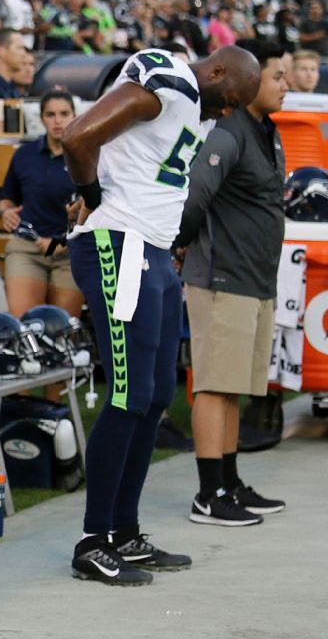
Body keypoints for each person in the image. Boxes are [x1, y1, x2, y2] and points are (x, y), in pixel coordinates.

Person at [62, 45, 260, 585]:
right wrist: (89, 193)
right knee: (127, 394)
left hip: (149, 249)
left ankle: (124, 531)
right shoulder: (170, 81)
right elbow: (77, 136)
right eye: (231, 100)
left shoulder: (192, 100)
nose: (226, 113)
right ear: (216, 71)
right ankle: (93, 538)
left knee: (152, 397)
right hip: (120, 246)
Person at [175, 38, 288, 527]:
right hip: (223, 276)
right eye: (277, 77)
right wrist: (182, 244)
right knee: (215, 387)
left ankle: (230, 481)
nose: (284, 86)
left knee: (236, 388)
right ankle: (208, 492)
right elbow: (195, 194)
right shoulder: (229, 130)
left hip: (256, 278)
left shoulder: (267, 131)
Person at [0, 89, 83, 320]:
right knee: (25, 327)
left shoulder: (85, 156)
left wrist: (61, 243)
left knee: (62, 329)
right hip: (28, 247)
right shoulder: (24, 155)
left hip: (69, 251)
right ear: (42, 118)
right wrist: (5, 212)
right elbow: (7, 198)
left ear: (75, 116)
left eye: (64, 114)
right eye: (51, 114)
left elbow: (96, 209)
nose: (58, 121)